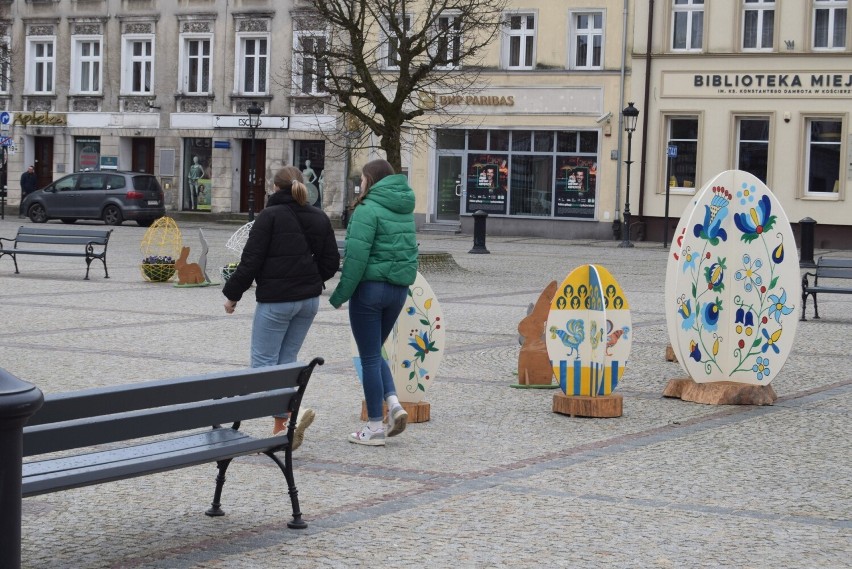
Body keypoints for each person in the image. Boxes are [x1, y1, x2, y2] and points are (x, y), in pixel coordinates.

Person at [223, 166, 340, 449]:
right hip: (308, 302)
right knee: (287, 361)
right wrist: (310, 281)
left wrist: (232, 295)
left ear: (275, 188)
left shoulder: (269, 217)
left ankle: (290, 416)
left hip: (276, 302)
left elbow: (250, 261)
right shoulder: (319, 216)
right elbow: (331, 262)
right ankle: (281, 428)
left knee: (263, 365)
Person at [329, 159, 418, 446]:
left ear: (371, 179)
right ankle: (394, 405)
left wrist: (339, 295)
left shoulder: (366, 209)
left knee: (368, 357)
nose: (361, 183)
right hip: (398, 290)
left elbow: (356, 257)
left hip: (369, 291)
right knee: (374, 351)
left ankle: (374, 428)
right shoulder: (404, 208)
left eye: (363, 178)